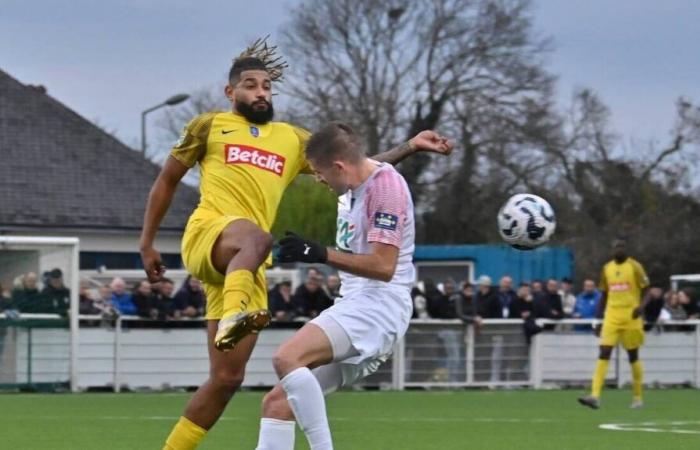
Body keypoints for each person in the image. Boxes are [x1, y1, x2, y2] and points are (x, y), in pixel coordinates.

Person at [138, 38, 453, 449]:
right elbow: (166, 180)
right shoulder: (209, 125)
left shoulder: (291, 140)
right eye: (250, 85)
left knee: (230, 380)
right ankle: (237, 316)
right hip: (210, 236)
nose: (261, 92)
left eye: (267, 86)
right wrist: (147, 243)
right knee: (258, 239)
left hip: (246, 267)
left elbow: (353, 166)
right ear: (230, 92)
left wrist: (409, 146)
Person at [254, 122, 419, 450]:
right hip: (356, 303)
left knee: (286, 359)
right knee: (277, 404)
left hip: (378, 305)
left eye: (318, 172)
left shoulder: (386, 190)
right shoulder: (355, 179)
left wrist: (320, 253)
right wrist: (411, 146)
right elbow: (367, 162)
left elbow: (384, 267)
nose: (317, 179)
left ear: (338, 166)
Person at [578, 238, 650, 410]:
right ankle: (595, 396)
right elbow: (603, 295)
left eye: (622, 247)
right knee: (604, 352)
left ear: (626, 249)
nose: (619, 249)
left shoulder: (635, 266)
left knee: (633, 356)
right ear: (612, 250)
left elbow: (648, 290)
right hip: (612, 316)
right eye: (616, 246)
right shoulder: (607, 268)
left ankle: (638, 397)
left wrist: (641, 307)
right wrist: (597, 320)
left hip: (631, 317)